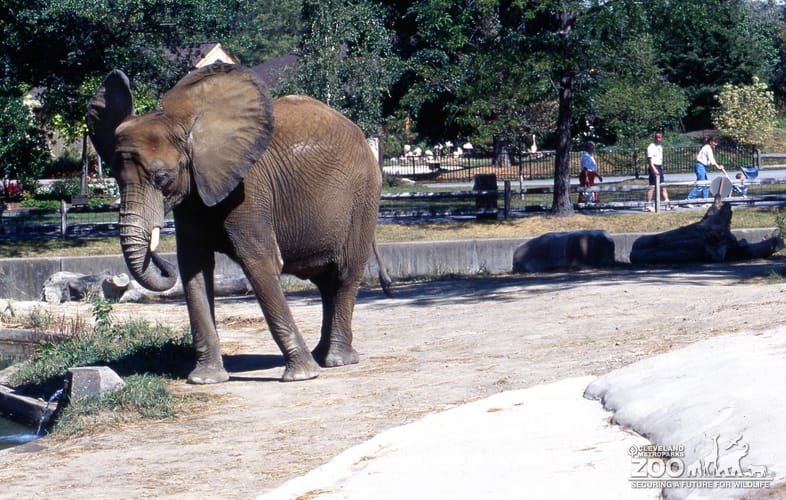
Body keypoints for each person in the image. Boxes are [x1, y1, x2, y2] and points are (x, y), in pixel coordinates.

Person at [687, 135, 724, 204]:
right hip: (700, 166)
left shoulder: (708, 148)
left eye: (717, 142)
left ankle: (705, 201)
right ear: (710, 142)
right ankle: (689, 200)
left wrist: (718, 165)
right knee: (701, 185)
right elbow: (711, 159)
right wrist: (718, 167)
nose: (716, 144)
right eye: (715, 142)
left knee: (706, 184)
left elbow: (710, 160)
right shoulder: (707, 148)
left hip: (702, 167)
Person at [645, 132, 671, 211]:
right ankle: (648, 205)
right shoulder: (651, 147)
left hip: (659, 166)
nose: (658, 139)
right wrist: (654, 169)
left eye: (660, 137)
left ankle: (667, 204)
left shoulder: (660, 146)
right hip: (653, 167)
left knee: (663, 186)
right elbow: (650, 160)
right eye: (657, 137)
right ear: (655, 138)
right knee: (652, 187)